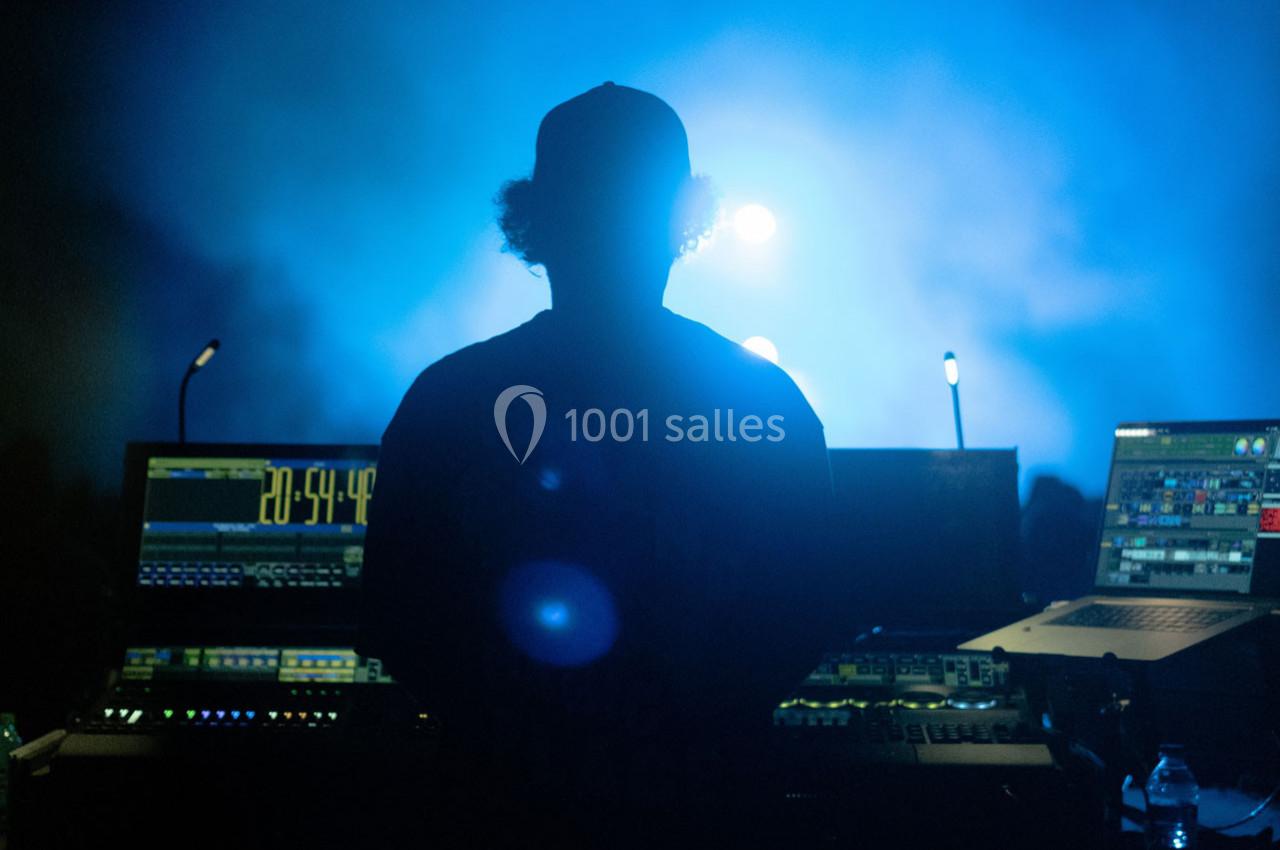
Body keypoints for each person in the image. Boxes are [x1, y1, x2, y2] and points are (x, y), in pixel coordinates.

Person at [358, 82, 843, 847]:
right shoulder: (763, 401)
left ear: (538, 224)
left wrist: (522, 727)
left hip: (497, 802)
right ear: (682, 224)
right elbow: (809, 611)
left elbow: (396, 612)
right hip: (706, 800)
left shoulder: (450, 396)